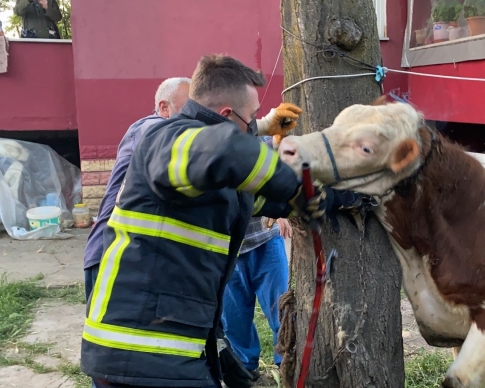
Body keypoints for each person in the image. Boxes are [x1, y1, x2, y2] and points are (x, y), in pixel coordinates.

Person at [80, 54, 363, 388]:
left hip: (172, 352)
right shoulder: (167, 140)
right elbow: (224, 148)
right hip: (139, 350)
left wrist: (339, 199)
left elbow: (266, 198)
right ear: (227, 116)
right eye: (253, 118)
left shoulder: (211, 173)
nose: (257, 126)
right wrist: (300, 189)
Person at [83, 77, 192, 303]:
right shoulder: (148, 129)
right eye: (189, 109)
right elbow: (184, 142)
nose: (195, 119)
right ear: (164, 107)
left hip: (139, 258)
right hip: (112, 255)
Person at [222, 136, 293, 379]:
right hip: (228, 250)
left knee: (281, 310)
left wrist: (281, 210)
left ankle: (287, 365)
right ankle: (246, 369)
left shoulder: (260, 137)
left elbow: (279, 171)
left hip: (265, 241)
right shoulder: (209, 139)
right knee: (234, 318)